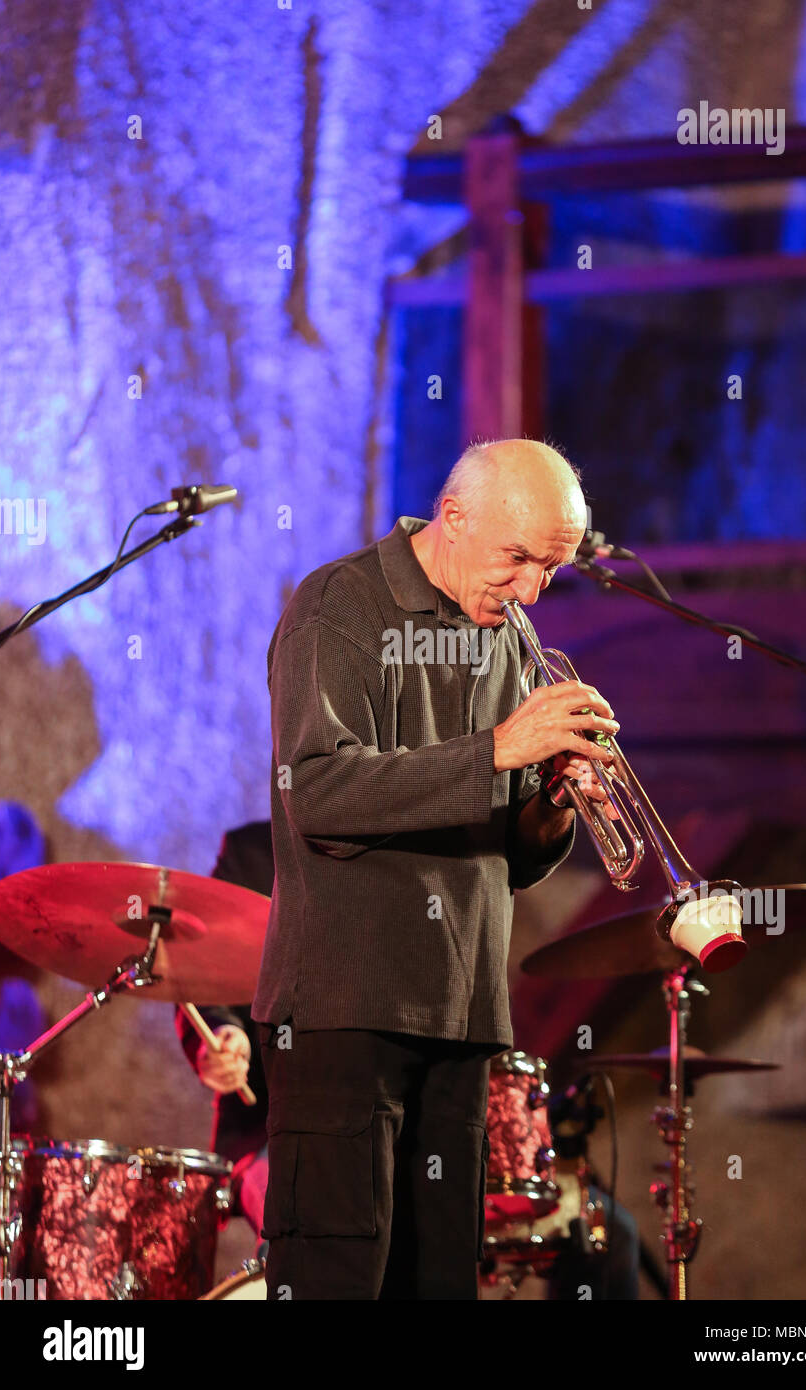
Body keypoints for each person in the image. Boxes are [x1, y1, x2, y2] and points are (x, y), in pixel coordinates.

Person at [253, 438, 620, 1300]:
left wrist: (555, 798)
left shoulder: (504, 633)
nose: (533, 591)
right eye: (520, 560)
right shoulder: (338, 606)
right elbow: (319, 794)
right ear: (452, 519)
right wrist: (500, 748)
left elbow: (511, 857)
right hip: (345, 1014)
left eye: (552, 570)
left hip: (461, 1016)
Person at [174, 820, 273, 1241]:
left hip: (389, 1128)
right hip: (270, 1130)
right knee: (302, 1218)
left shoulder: (405, 855)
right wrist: (224, 1034)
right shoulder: (251, 853)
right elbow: (203, 977)